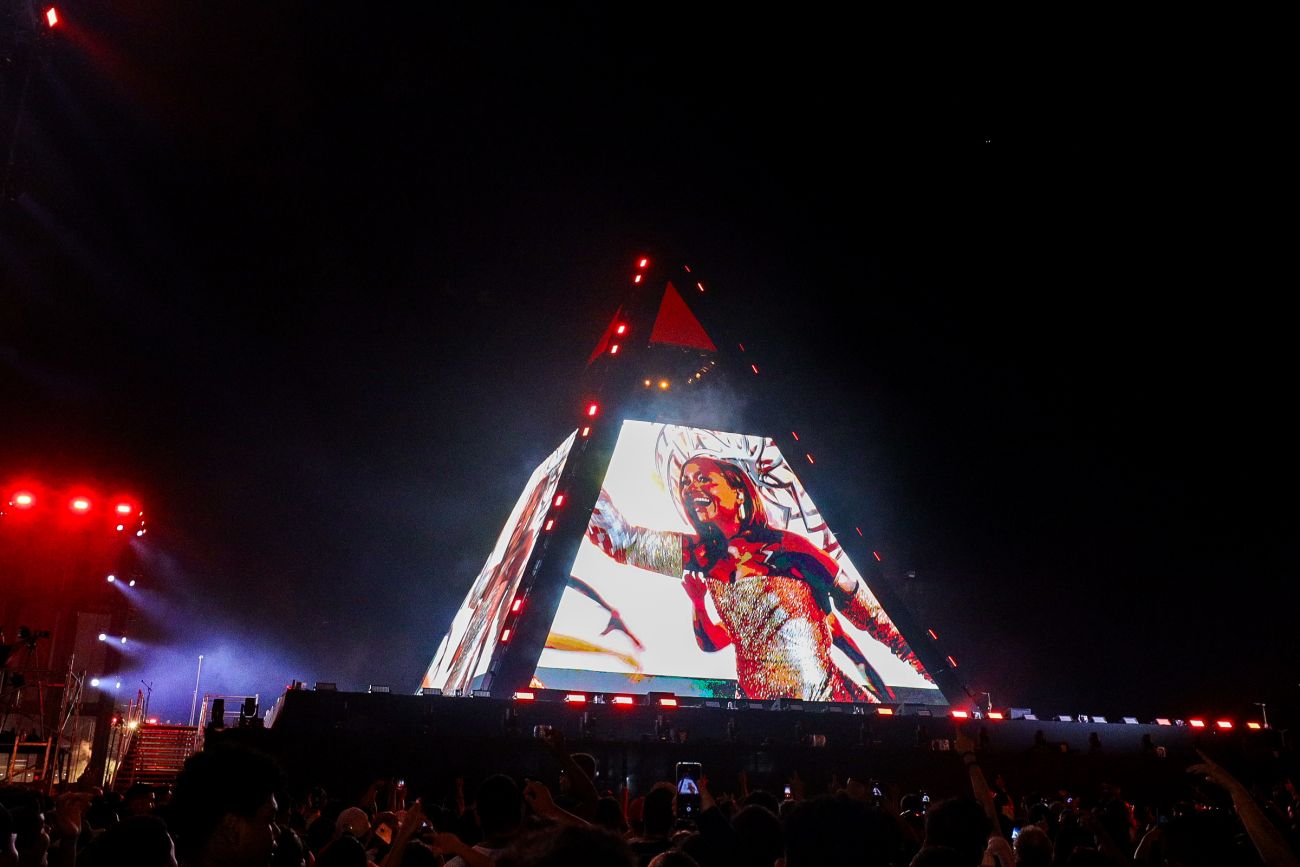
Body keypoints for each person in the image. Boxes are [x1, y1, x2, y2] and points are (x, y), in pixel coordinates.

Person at [587, 455, 928, 702]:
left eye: (703, 478)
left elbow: (863, 610)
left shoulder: (788, 547)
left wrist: (925, 663)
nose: (691, 488)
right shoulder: (702, 555)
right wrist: (584, 476)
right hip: (757, 713)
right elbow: (624, 542)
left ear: (738, 489)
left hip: (826, 706)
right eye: (685, 483)